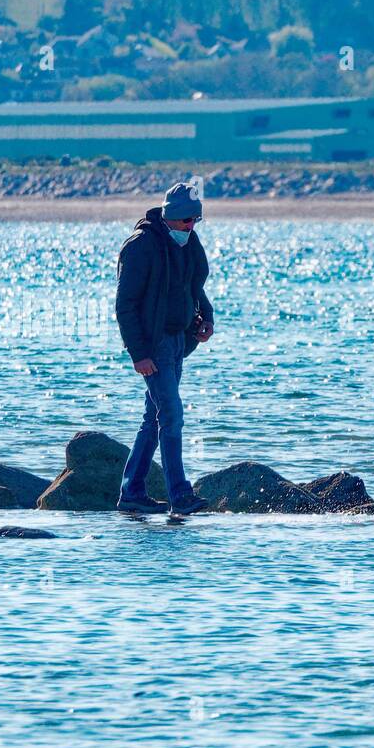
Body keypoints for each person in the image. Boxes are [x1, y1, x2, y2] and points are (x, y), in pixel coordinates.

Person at [114, 182, 216, 515]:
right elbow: (125, 305)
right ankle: (180, 496)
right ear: (170, 216)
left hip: (178, 341)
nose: (191, 227)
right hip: (152, 345)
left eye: (195, 221)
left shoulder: (187, 242)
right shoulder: (140, 246)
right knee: (171, 414)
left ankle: (132, 491)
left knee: (154, 417)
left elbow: (193, 287)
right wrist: (138, 354)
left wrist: (205, 319)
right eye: (186, 220)